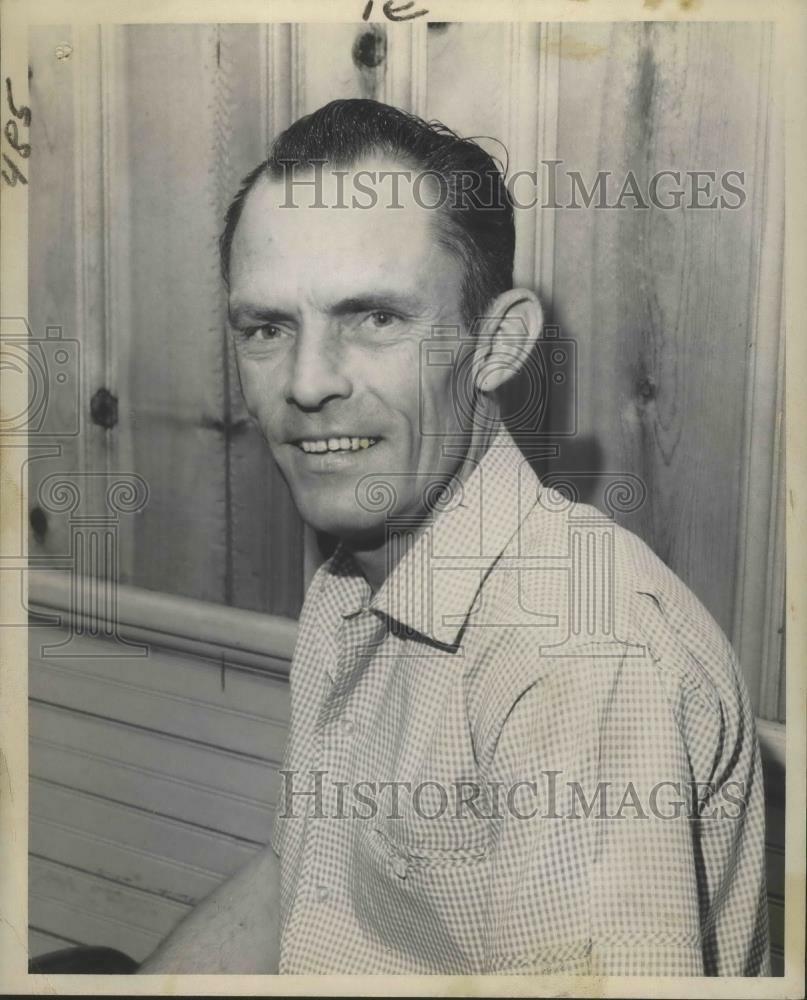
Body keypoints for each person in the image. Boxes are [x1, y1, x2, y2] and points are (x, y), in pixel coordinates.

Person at [140, 99, 769, 976]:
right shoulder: (355, 575)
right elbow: (299, 886)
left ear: (498, 344)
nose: (306, 382)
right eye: (267, 328)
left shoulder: (578, 658)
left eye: (375, 318)